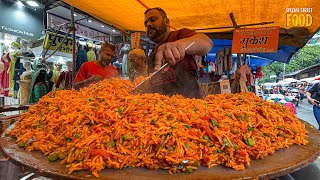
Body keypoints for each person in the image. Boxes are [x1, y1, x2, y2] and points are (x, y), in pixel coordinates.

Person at [143, 7, 213, 98]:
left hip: (190, 105)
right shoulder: (152, 54)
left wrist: (180, 45)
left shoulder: (179, 36)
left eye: (153, 20)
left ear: (166, 21)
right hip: (161, 109)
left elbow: (207, 43)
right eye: (145, 23)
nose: (148, 24)